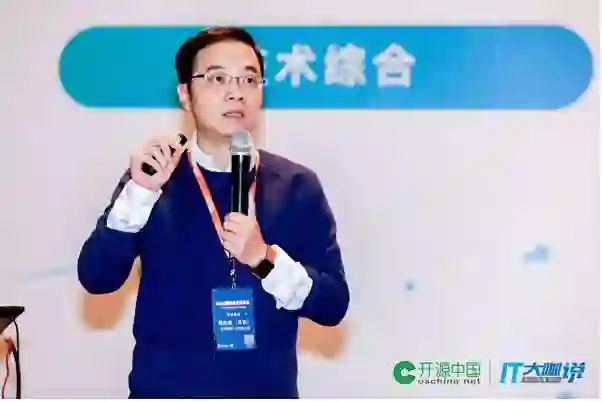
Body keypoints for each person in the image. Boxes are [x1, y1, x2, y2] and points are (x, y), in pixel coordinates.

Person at [77, 26, 350, 398]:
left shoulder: (296, 185)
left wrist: (264, 260)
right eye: (217, 78)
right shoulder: (154, 178)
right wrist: (140, 192)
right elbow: (97, 277)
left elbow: (333, 305)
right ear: (184, 95)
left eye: (249, 79)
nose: (236, 92)